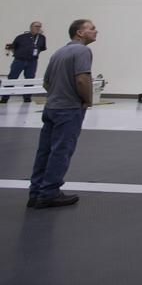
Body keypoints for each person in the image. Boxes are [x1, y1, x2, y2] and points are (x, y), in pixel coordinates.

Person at [28, 19, 97, 209]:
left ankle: (35, 193)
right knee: (61, 151)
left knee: (45, 151)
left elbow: (46, 82)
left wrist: (56, 96)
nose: (95, 31)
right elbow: (82, 79)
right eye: (91, 28)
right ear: (80, 33)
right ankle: (49, 193)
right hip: (68, 110)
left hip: (52, 108)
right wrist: (87, 101)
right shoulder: (83, 51)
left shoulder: (59, 52)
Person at [3, 21, 47, 103]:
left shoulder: (42, 38)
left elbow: (42, 48)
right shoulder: (21, 37)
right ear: (31, 27)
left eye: (40, 26)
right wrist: (18, 54)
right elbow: (13, 47)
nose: (38, 28)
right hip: (19, 60)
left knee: (30, 79)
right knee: (12, 78)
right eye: (36, 26)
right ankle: (5, 98)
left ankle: (27, 98)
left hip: (32, 61)